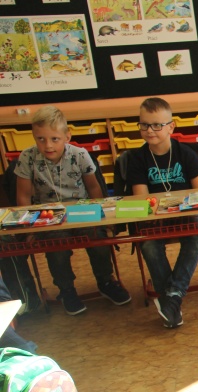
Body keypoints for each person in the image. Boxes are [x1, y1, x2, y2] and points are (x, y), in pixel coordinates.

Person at [14, 105, 131, 315]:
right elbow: (23, 196)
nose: (48, 145)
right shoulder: (27, 157)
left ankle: (105, 281)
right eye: (41, 139)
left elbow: (94, 188)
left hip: (81, 212)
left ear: (67, 136)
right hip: (49, 218)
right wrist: (28, 228)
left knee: (97, 238)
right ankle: (66, 289)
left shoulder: (79, 155)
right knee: (56, 244)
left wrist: (103, 219)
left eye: (54, 139)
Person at [126, 97, 198, 328]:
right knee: (149, 245)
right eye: (144, 125)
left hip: (186, 216)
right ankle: (173, 298)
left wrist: (177, 204)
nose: (149, 130)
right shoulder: (137, 159)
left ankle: (171, 297)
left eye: (157, 125)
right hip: (156, 219)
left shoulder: (186, 154)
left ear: (171, 127)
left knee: (197, 236)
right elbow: (142, 199)